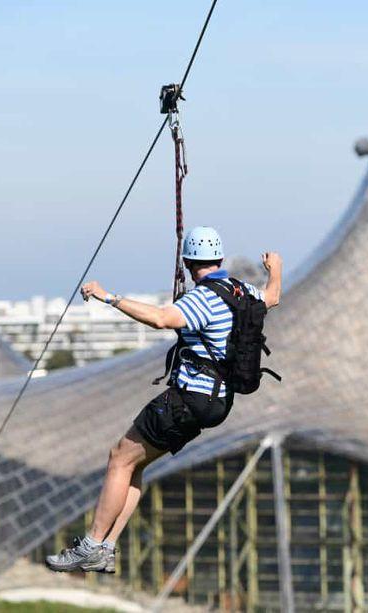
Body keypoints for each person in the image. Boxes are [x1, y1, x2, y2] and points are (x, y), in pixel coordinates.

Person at [46, 226, 282, 573]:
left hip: (188, 398)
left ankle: (92, 545)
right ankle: (107, 548)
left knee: (119, 459)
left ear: (187, 262)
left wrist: (107, 296)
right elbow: (272, 296)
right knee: (135, 464)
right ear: (218, 259)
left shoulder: (202, 299)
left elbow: (160, 319)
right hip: (217, 403)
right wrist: (274, 268)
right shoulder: (242, 291)